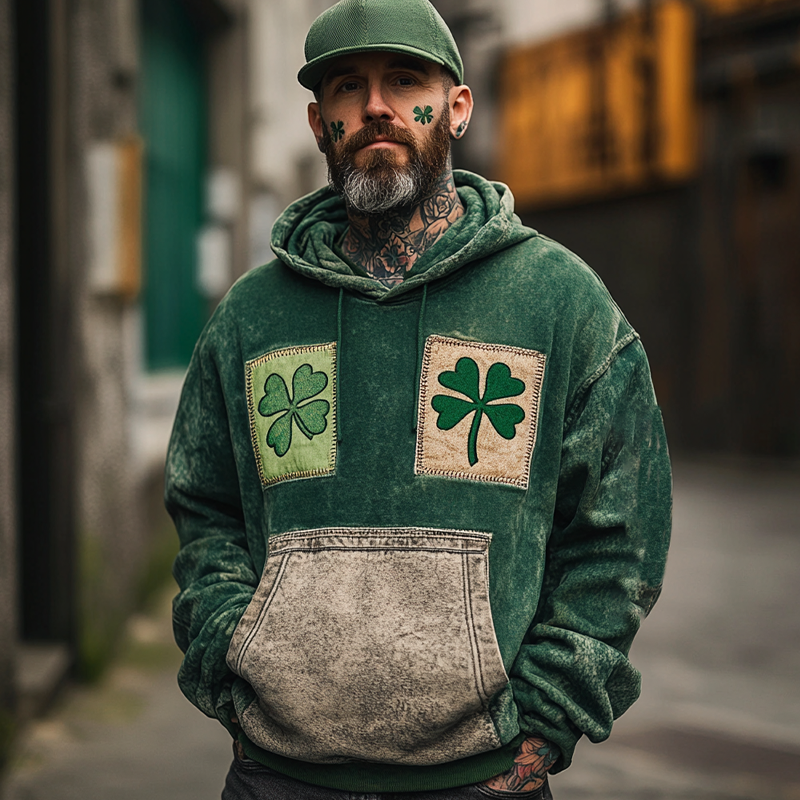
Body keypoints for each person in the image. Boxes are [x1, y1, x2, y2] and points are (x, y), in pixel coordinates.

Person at [165, 0, 672, 797]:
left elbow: (620, 535)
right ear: (317, 120)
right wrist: (233, 652)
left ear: (458, 107)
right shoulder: (249, 318)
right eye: (346, 87)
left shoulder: (559, 302)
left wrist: (547, 718)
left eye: (405, 80)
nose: (375, 106)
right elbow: (207, 508)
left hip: (481, 778)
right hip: (280, 777)